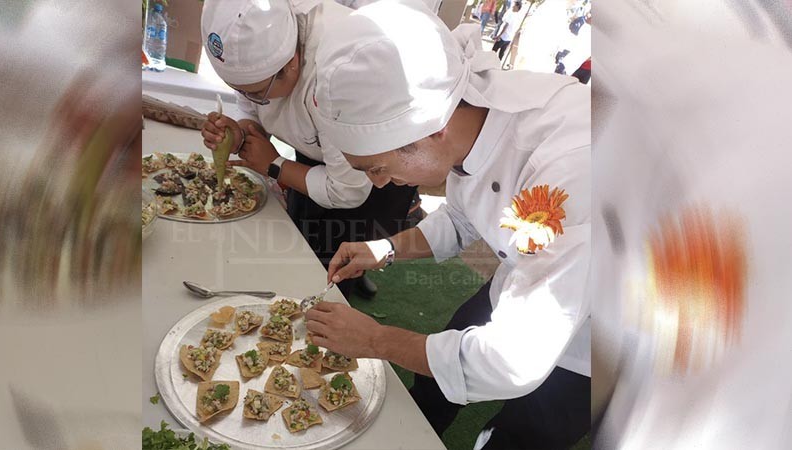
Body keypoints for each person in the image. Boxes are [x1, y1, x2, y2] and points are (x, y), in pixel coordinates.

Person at [303, 1, 590, 448]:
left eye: (376, 168)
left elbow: (513, 360)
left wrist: (377, 339)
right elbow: (462, 216)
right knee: (437, 379)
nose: (380, 185)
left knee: (527, 431)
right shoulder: (465, 117)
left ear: (430, 131)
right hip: (527, 274)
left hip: (606, 333)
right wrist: (386, 249)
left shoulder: (566, 166)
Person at [200, 0, 417, 299]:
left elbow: (347, 190)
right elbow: (251, 106)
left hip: (374, 175)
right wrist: (241, 134)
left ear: (292, 64)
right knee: (299, 233)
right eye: (238, 88)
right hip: (320, 153)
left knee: (334, 260)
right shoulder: (270, 41)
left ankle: (345, 289)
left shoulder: (341, 78)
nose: (247, 98)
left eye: (254, 92)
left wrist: (274, 164)